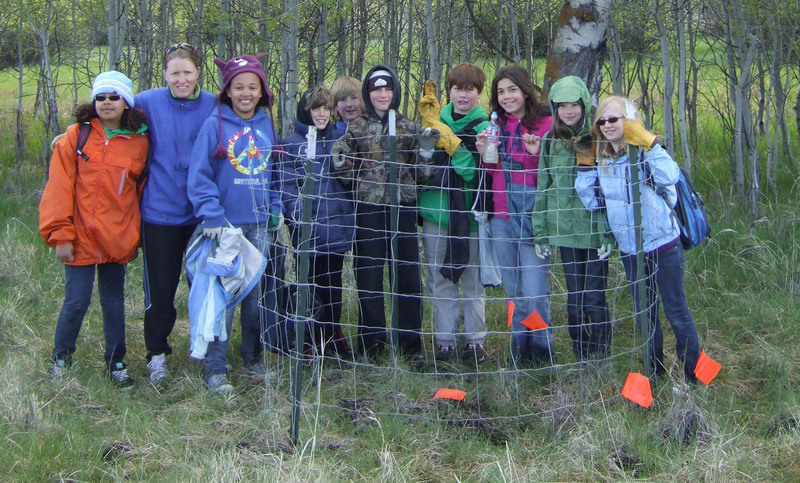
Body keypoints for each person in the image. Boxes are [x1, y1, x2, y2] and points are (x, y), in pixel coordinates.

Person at [575, 95, 701, 381]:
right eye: (602, 121)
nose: (607, 125)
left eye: (614, 119)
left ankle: (692, 374)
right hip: (631, 250)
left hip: (663, 244)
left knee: (676, 309)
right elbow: (592, 202)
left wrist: (650, 143)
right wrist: (584, 166)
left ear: (629, 121)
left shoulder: (644, 149)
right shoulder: (602, 157)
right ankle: (654, 370)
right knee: (645, 314)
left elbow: (669, 177)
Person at [40, 71, 149, 389]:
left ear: (127, 101)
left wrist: (134, 235)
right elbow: (59, 187)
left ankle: (116, 363)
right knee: (76, 301)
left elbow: (139, 192)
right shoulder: (78, 135)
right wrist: (61, 234)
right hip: (79, 238)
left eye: (114, 97)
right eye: (100, 97)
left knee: (114, 301)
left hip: (117, 238)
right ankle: (61, 359)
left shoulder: (140, 142)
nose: (106, 103)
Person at [330, 64, 440, 358]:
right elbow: (342, 167)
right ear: (368, 93)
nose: (382, 94)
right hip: (369, 211)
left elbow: (422, 174)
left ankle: (409, 345)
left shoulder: (409, 128)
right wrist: (353, 177)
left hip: (403, 209)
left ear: (396, 92)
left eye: (387, 89)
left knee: (406, 276)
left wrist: (427, 153)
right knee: (369, 276)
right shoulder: (357, 128)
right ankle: (372, 345)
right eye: (376, 89)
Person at [188, 53, 283, 393]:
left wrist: (275, 207)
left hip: (258, 226)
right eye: (238, 87)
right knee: (222, 298)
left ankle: (252, 357)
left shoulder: (267, 124)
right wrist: (211, 214)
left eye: (252, 87)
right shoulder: (215, 124)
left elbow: (273, 173)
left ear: (262, 92)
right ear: (228, 91)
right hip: (225, 228)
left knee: (253, 295)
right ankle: (216, 367)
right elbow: (199, 176)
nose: (245, 93)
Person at [135, 42, 217, 383]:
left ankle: (207, 350)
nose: (181, 79)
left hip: (201, 215)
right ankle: (157, 353)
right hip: (160, 213)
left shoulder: (215, 105)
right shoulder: (146, 103)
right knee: (161, 288)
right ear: (165, 74)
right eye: (175, 73)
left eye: (187, 72)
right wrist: (70, 134)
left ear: (198, 72)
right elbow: (106, 119)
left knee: (205, 287)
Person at [475, 64, 554, 366]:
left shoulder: (545, 124)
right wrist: (485, 154)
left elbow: (551, 174)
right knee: (515, 290)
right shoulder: (496, 126)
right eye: (501, 91)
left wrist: (535, 157)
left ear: (525, 90)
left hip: (534, 218)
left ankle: (542, 348)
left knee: (534, 290)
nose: (507, 96)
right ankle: (520, 350)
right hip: (501, 217)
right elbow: (492, 172)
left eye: (512, 89)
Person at [531, 76, 613, 360]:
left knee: (594, 296)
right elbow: (544, 186)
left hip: (593, 231)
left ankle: (601, 354)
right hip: (563, 230)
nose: (568, 111)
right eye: (562, 106)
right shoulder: (550, 141)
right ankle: (581, 353)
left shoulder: (596, 139)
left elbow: (607, 191)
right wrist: (540, 232)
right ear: (554, 109)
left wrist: (607, 234)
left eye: (574, 105)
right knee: (575, 297)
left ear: (583, 105)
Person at [417, 63, 489, 363]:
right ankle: (445, 339)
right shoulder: (433, 119)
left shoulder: (486, 127)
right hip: (436, 213)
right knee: (438, 277)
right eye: (458, 88)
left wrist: (457, 151)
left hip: (470, 216)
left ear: (478, 93)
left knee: (473, 279)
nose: (463, 95)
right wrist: (428, 141)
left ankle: (475, 340)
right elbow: (420, 167)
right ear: (450, 90)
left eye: (469, 89)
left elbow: (477, 175)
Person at [280, 87, 355, 358]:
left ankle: (332, 336)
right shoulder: (291, 143)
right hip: (307, 231)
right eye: (316, 109)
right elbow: (287, 185)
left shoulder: (340, 138)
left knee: (333, 285)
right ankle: (309, 339)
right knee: (309, 285)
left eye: (326, 108)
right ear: (306, 111)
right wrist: (298, 216)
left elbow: (350, 182)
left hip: (337, 227)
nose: (321, 114)